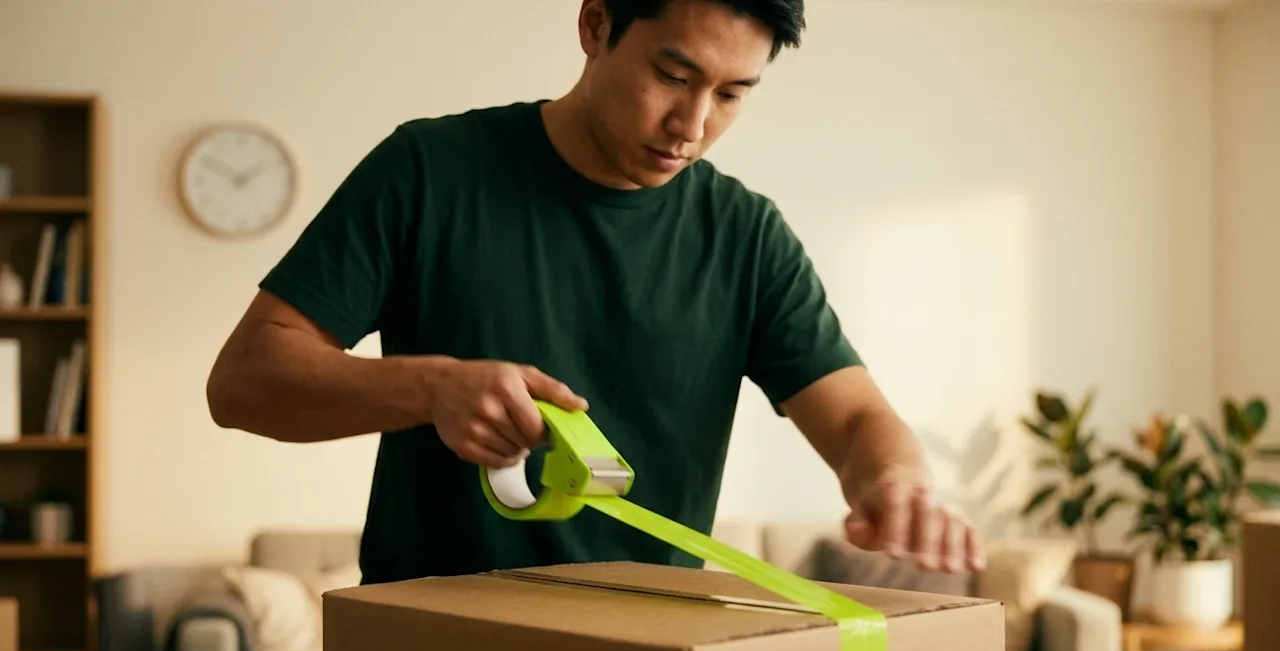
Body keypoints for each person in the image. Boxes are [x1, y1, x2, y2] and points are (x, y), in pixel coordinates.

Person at [205, 0, 986, 586]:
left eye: (731, 94)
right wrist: (431, 387)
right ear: (595, 24)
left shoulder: (746, 236)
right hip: (434, 650)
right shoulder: (427, 171)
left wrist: (896, 481)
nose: (692, 123)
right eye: (673, 76)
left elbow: (852, 416)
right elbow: (244, 383)